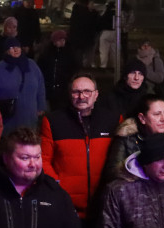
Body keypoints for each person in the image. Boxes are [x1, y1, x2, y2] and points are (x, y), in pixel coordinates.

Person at [41, 74, 121, 219]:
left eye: (87, 91)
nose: (81, 96)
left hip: (104, 205)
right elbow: (43, 159)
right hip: (66, 205)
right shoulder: (53, 121)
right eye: (76, 92)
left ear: (96, 94)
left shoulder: (113, 120)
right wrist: (57, 186)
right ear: (70, 94)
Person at [105, 95, 164, 182]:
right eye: (157, 114)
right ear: (142, 118)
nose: (163, 119)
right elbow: (113, 174)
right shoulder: (127, 138)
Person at [0, 37, 47, 134]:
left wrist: (41, 105)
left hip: (29, 113)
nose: (15, 49)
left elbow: (40, 86)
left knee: (28, 138)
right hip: (8, 116)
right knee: (10, 139)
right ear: (7, 51)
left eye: (17, 47)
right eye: (11, 47)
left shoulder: (31, 65)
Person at [37, 29, 80, 110]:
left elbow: (75, 68)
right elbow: (41, 67)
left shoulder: (70, 52)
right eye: (59, 40)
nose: (62, 42)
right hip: (50, 87)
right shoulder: (47, 53)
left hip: (64, 87)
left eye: (63, 40)